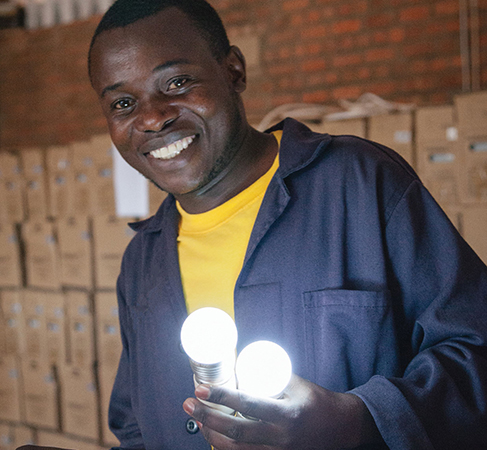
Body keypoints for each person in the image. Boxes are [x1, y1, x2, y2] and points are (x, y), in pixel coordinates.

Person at [86, 0, 487, 449]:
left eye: (177, 82)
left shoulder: (358, 183)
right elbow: (135, 427)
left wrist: (359, 421)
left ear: (234, 71)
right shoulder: (142, 262)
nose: (153, 117)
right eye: (123, 103)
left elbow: (477, 353)